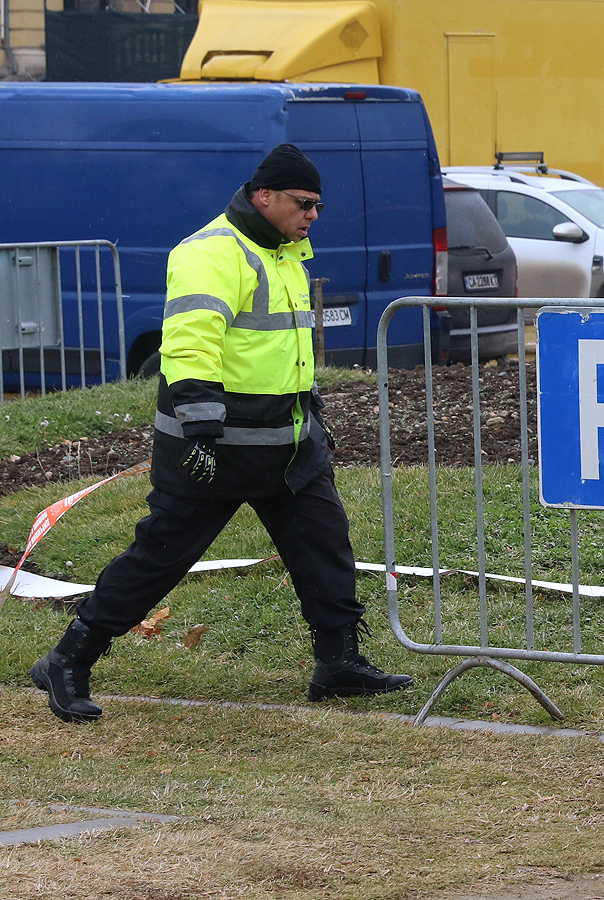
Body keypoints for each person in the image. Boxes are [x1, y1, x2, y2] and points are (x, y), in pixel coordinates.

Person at [30, 144, 413, 724]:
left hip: (287, 446)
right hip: (212, 448)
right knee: (161, 556)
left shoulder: (284, 252)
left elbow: (275, 350)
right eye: (303, 203)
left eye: (318, 206)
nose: (313, 215)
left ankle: (340, 664)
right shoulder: (211, 251)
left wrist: (310, 416)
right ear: (264, 196)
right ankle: (68, 658)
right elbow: (189, 344)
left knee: (325, 547)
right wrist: (202, 425)